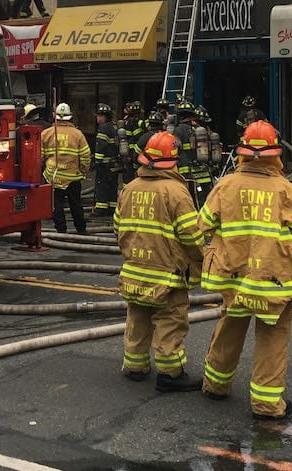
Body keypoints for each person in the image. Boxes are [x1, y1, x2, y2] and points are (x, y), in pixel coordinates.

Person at [198, 121, 292, 419]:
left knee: (229, 328)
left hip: (234, 279)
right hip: (274, 281)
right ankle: (267, 405)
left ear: (241, 152)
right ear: (275, 154)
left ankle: (215, 385)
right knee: (272, 337)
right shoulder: (284, 189)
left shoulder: (225, 185)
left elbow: (203, 224)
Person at [115, 131, 205, 391]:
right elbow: (191, 236)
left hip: (135, 269)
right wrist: (203, 259)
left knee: (137, 316)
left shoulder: (129, 189)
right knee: (170, 320)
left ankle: (135, 366)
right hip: (168, 273)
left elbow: (118, 229)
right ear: (174, 160)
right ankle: (170, 374)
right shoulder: (176, 192)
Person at [41, 103, 91, 235]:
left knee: (56, 205)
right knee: (76, 204)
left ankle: (61, 230)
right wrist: (83, 171)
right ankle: (81, 229)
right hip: (73, 177)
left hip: (52, 176)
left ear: (55, 117)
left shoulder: (46, 133)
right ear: (70, 117)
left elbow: (40, 156)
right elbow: (85, 156)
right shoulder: (78, 135)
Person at [93, 103, 120, 218]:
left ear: (103, 117)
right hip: (113, 163)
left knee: (102, 186)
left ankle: (101, 209)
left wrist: (96, 161)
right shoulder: (114, 126)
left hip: (104, 164)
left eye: (98, 116)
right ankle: (112, 208)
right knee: (112, 186)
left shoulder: (103, 128)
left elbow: (101, 146)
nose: (97, 118)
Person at [173, 100, 202, 205]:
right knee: (195, 195)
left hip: (183, 168)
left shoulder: (178, 130)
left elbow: (175, 148)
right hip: (196, 167)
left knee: (183, 194)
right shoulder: (196, 130)